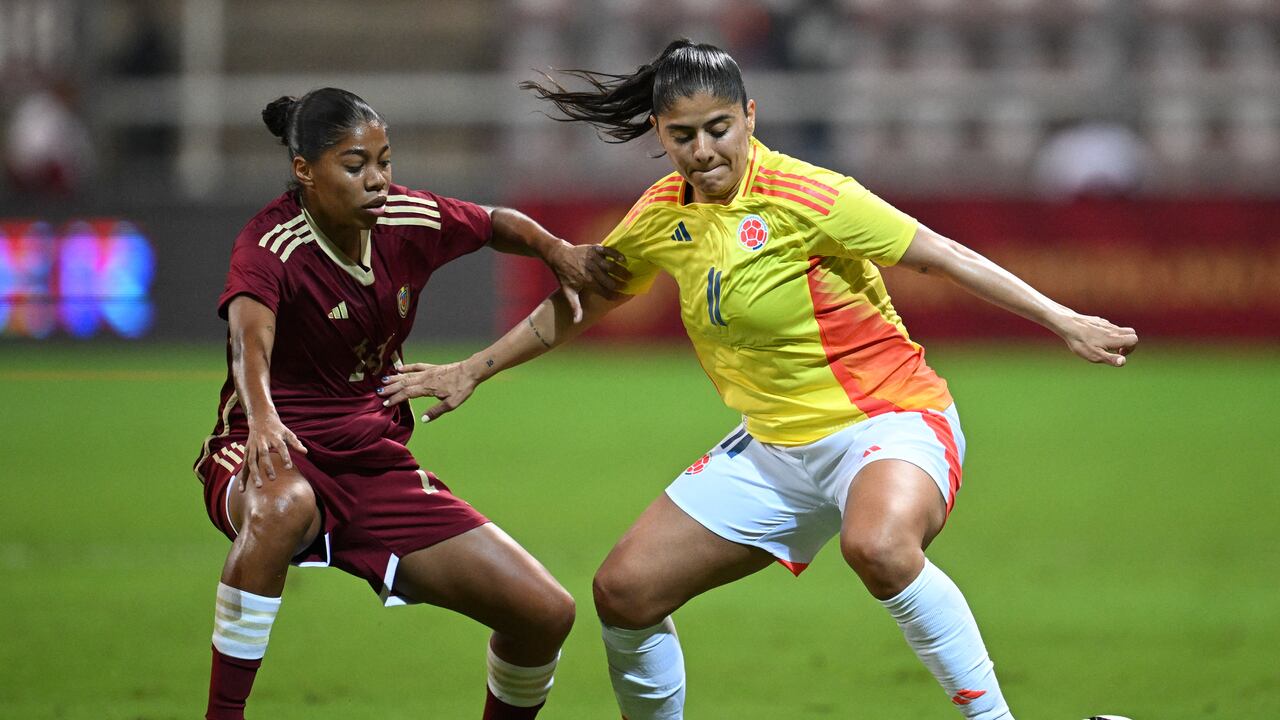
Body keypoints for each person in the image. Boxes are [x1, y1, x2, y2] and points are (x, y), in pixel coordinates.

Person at [380, 41, 1139, 720]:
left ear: (750, 115)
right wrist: (470, 369)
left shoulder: (811, 195)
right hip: (774, 449)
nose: (704, 150)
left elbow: (943, 255)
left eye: (719, 128)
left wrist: (1063, 319)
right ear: (659, 134)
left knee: (878, 547)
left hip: (887, 422)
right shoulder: (660, 215)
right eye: (683, 135)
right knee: (625, 593)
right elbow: (580, 304)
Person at [192, 87, 624, 720]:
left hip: (372, 464)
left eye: (384, 161)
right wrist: (261, 417)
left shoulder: (405, 219)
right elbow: (247, 340)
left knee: (544, 613)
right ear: (304, 171)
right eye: (355, 164)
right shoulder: (271, 245)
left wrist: (556, 250)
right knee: (284, 506)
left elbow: (495, 222)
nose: (377, 180)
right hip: (271, 448)